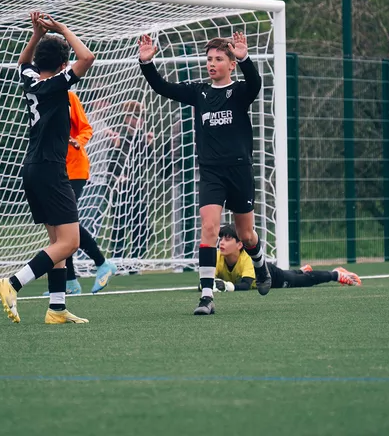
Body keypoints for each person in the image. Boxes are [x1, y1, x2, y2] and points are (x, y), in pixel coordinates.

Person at [138, 32, 272, 316]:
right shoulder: (199, 92)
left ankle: (260, 265)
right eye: (209, 58)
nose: (212, 63)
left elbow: (255, 83)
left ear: (231, 64)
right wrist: (147, 63)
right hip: (211, 172)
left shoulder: (240, 92)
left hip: (239, 170)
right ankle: (207, 297)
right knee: (209, 229)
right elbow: (162, 87)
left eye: (219, 59)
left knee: (246, 235)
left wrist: (245, 58)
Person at [0, 11, 95, 324]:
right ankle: (13, 283)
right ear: (63, 65)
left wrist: (36, 34)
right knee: (70, 242)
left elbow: (22, 62)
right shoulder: (57, 85)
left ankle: (57, 308)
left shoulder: (30, 80)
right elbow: (87, 57)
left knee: (57, 244)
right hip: (51, 170)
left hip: (33, 168)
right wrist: (62, 28)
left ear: (39, 63)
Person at [57, 91, 116, 294]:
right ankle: (70, 281)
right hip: (54, 168)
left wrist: (78, 141)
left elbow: (85, 128)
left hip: (74, 170)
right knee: (59, 225)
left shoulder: (68, 97)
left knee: (65, 223)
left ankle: (101, 263)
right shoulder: (38, 98)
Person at [208, 225, 361, 294]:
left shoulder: (247, 258)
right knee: (295, 274)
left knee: (301, 281)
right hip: (262, 278)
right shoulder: (216, 256)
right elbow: (205, 282)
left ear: (240, 244)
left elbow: (246, 285)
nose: (221, 243)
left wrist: (227, 286)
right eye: (221, 239)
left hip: (271, 276)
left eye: (227, 239)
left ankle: (336, 274)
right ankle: (300, 270)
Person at [105, 100, 154, 269]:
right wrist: (116, 147)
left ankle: (135, 262)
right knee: (119, 227)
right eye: (135, 117)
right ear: (127, 119)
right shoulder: (119, 136)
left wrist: (149, 145)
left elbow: (148, 163)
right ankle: (117, 263)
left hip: (139, 188)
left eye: (141, 117)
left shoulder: (142, 137)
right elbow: (111, 164)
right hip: (121, 189)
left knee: (142, 228)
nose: (139, 120)